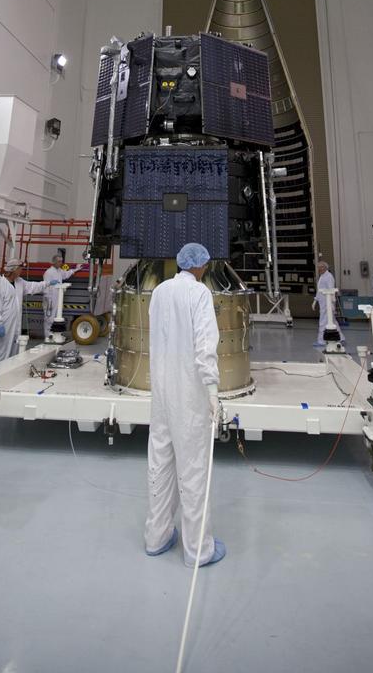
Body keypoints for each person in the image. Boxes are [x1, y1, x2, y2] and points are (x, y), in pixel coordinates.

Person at [144, 242, 225, 567]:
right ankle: (197, 550)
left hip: (161, 390)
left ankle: (157, 536)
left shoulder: (160, 292)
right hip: (189, 394)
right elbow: (205, 343)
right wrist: (212, 389)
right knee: (192, 470)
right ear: (201, 266)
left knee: (160, 464)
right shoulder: (200, 295)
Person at [0, 257, 55, 357]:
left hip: (16, 323)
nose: (21, 271)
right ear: (13, 270)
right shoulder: (0, 284)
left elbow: (32, 286)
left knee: (15, 350)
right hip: (4, 324)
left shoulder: (19, 282)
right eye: (20, 269)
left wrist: (47, 283)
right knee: (2, 350)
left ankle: (11, 369)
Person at [42, 253, 76, 338]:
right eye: (59, 261)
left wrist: (75, 269)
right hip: (50, 298)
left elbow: (66, 274)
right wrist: (47, 299)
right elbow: (45, 285)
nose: (60, 263)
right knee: (49, 317)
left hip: (57, 298)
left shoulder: (59, 271)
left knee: (55, 316)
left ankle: (54, 334)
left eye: (61, 261)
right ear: (54, 262)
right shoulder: (48, 272)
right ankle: (47, 335)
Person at [312, 259, 340, 347]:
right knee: (332, 321)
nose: (319, 269)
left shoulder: (329, 277)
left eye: (320, 267)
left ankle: (322, 341)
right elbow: (319, 290)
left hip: (327, 303)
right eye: (318, 268)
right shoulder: (322, 276)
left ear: (324, 267)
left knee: (323, 321)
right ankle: (341, 338)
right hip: (323, 302)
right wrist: (315, 300)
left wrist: (332, 302)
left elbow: (331, 289)